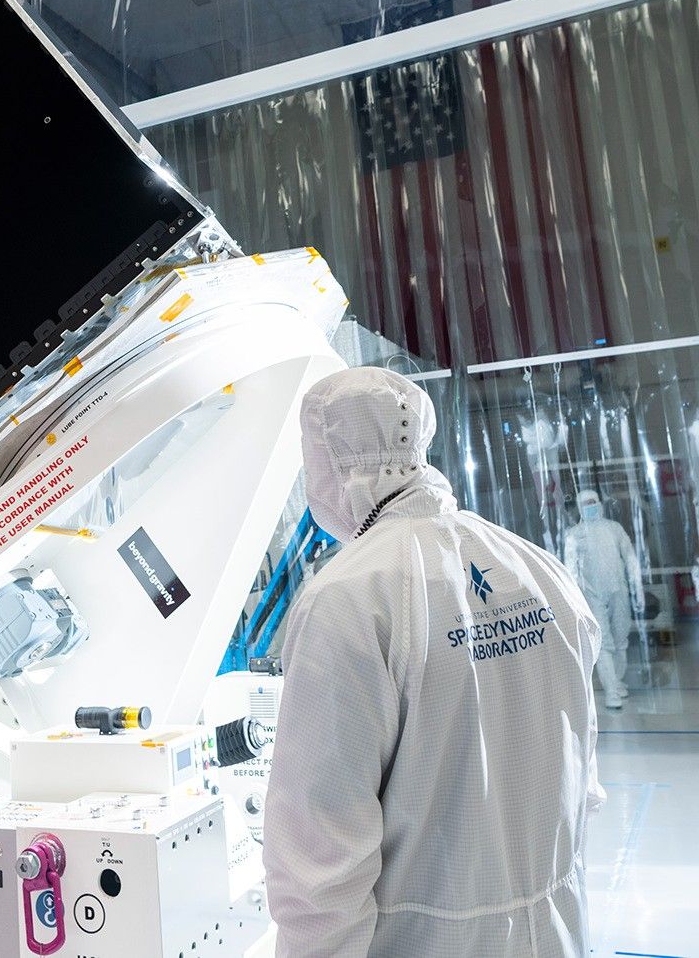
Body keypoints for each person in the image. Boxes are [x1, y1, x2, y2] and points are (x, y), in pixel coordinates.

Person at [264, 367, 603, 958]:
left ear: (334, 460)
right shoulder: (538, 568)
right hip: (556, 933)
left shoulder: (346, 599)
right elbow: (582, 783)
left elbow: (319, 865)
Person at [564, 489, 642, 710]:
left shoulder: (614, 528)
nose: (590, 507)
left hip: (619, 590)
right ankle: (611, 692)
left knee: (621, 637)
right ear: (579, 508)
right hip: (592, 595)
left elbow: (629, 555)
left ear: (599, 503)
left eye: (593, 502)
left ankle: (616, 681)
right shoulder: (574, 535)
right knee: (604, 642)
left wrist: (636, 583)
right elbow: (570, 568)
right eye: (585, 504)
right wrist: (573, 596)